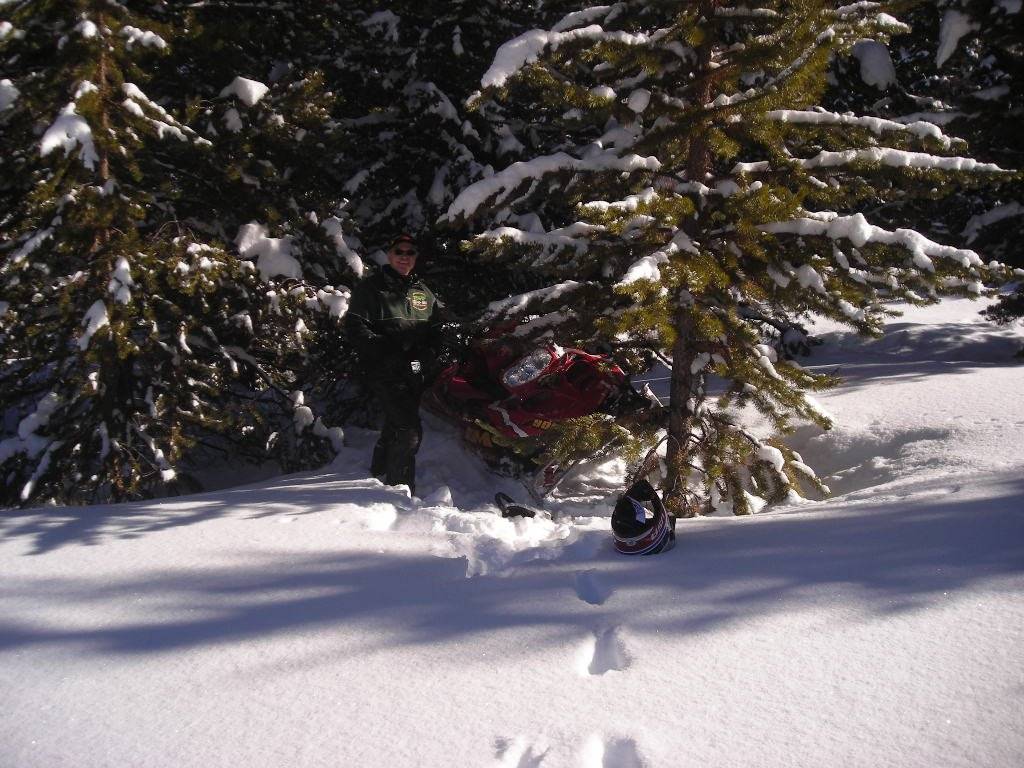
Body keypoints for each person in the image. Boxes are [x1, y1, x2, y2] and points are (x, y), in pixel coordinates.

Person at [345, 233, 443, 497]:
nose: (404, 256)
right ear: (389, 255)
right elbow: (355, 328)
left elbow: (438, 329)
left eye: (410, 252)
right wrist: (386, 350)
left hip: (414, 370)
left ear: (415, 258)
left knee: (396, 422)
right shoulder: (372, 288)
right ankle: (400, 493)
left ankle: (377, 473)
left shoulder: (423, 292)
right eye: (399, 251)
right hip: (384, 370)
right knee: (409, 430)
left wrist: (430, 354)